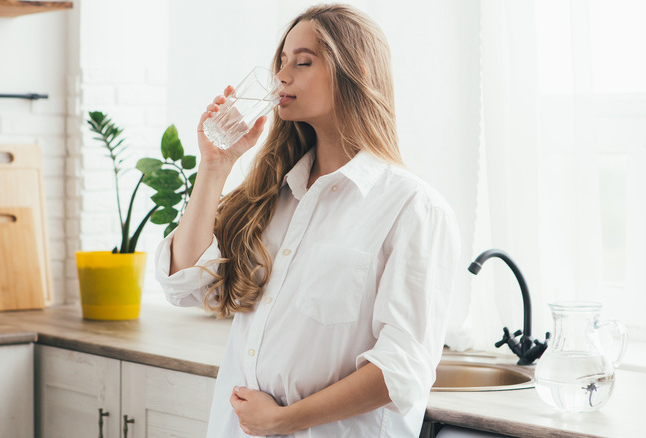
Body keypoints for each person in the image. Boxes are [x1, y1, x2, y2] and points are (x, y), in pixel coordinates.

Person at [155, 4, 461, 437]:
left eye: (302, 62)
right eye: (281, 61)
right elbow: (184, 284)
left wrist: (282, 420)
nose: (282, 75)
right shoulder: (271, 196)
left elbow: (401, 370)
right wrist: (214, 166)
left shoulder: (413, 209)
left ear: (354, 73)